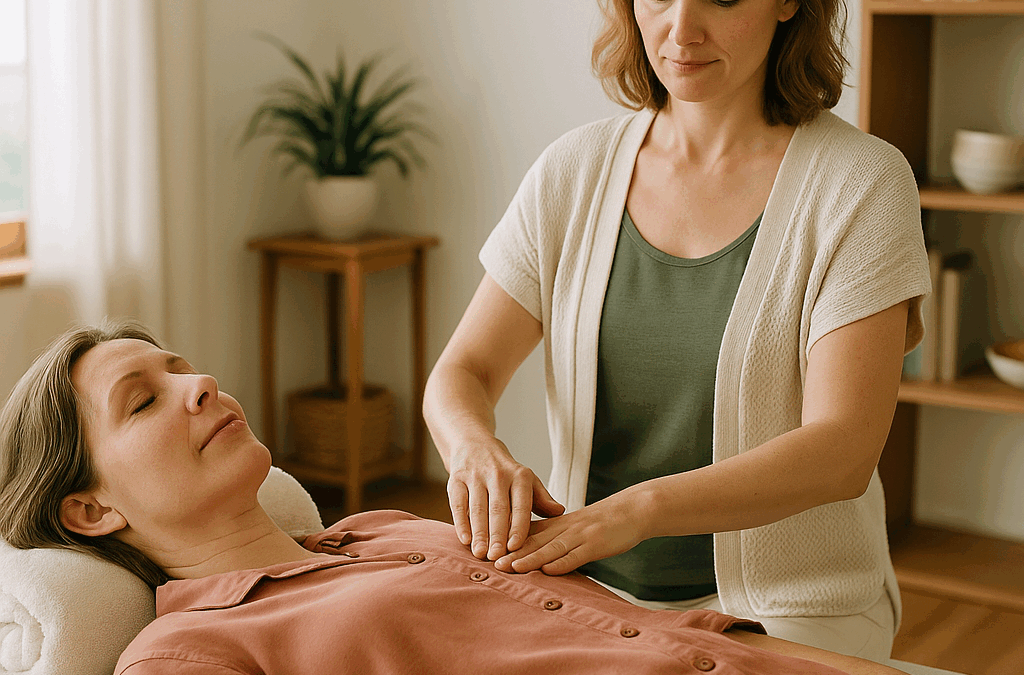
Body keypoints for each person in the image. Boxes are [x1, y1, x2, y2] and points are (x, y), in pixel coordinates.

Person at [422, 0, 931, 663]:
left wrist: (639, 510)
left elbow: (843, 448)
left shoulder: (861, 182)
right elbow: (463, 372)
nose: (681, 29)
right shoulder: (572, 171)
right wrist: (471, 448)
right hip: (584, 591)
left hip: (792, 607)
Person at [0, 321, 913, 675]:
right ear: (90, 510)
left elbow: (670, 634)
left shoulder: (382, 526)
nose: (198, 382)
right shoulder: (188, 652)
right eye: (144, 400)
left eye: (179, 363)